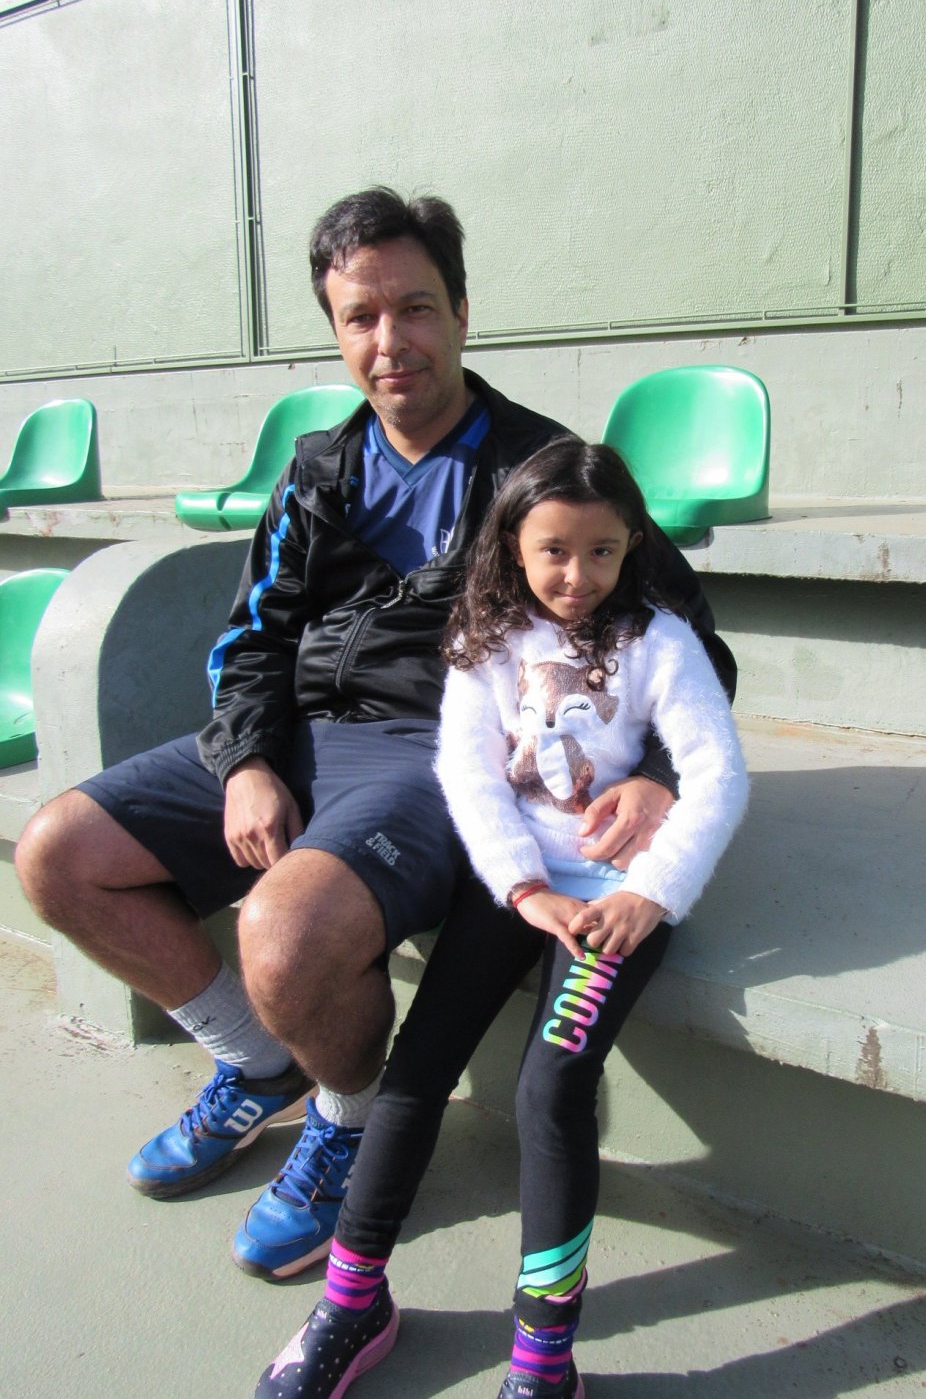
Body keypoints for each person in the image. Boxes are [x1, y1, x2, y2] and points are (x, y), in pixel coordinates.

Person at [15, 189, 736, 1283]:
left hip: (436, 754)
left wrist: (660, 774)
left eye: (415, 308)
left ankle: (345, 1120)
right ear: (338, 331)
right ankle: (256, 1062)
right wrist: (248, 760)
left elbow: (689, 644)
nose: (390, 341)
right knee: (59, 854)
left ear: (461, 313)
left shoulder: (542, 471)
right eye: (360, 317)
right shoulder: (318, 468)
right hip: (300, 732)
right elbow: (252, 637)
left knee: (283, 934)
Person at [253, 437, 749, 1399]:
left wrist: (648, 893)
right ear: (513, 546)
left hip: (612, 898)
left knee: (549, 1090)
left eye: (601, 551)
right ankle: (351, 1303)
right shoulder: (485, 643)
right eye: (553, 550)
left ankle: (543, 1355)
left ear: (631, 545)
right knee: (416, 1069)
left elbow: (715, 772)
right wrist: (523, 888)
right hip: (521, 886)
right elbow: (466, 772)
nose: (577, 576)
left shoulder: (660, 640)